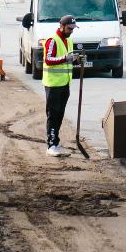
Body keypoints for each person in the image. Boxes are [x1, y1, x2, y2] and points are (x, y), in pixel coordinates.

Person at [42, 14, 79, 156]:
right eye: (69, 28)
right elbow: (49, 59)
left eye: (73, 28)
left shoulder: (68, 40)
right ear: (62, 26)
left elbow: (68, 58)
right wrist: (66, 58)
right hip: (53, 85)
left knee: (59, 114)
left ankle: (55, 142)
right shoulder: (52, 40)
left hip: (64, 84)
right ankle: (51, 145)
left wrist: (76, 60)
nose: (71, 31)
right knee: (53, 115)